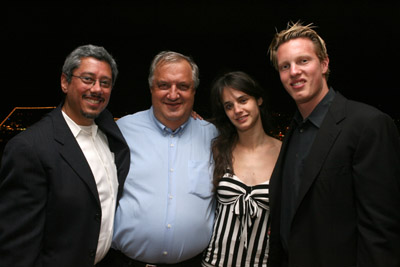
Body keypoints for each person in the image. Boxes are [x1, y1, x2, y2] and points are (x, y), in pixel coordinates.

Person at [267, 21, 400, 267]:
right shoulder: (294, 131)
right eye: (285, 66)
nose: (294, 71)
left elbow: (381, 233)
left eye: (303, 61)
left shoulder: (368, 125)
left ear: (325, 64)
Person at [0, 44, 130, 267]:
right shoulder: (29, 148)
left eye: (105, 83)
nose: (97, 89)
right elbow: (16, 248)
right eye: (88, 79)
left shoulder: (110, 133)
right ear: (64, 82)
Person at [101, 51, 218, 267]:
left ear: (193, 90)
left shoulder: (212, 136)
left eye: (183, 86)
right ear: (151, 88)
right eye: (164, 85)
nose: (173, 95)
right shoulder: (122, 132)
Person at [202, 71, 281, 267]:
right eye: (229, 106)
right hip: (214, 263)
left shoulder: (284, 153)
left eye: (243, 100)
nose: (237, 110)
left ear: (259, 100)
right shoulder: (219, 150)